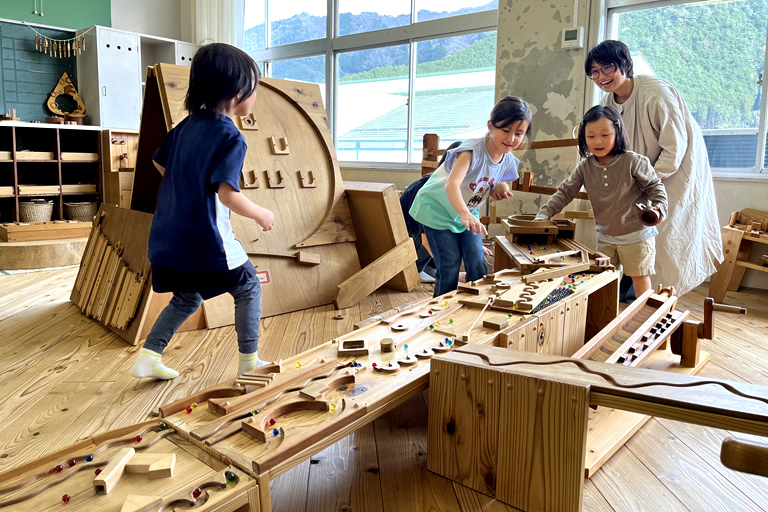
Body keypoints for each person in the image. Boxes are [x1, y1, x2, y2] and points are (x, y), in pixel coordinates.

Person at [130, 43, 275, 380]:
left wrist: (187, 186)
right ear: (240, 93)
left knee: (188, 295)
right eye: (255, 89)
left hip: (167, 239)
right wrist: (259, 213)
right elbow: (227, 194)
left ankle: (149, 355)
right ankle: (249, 362)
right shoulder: (231, 136)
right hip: (204, 240)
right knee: (249, 286)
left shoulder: (185, 127)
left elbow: (157, 160)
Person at [585, 40, 723, 297]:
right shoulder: (609, 100)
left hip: (672, 172)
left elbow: (675, 147)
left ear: (625, 65)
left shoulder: (656, 92)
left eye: (607, 68)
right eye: (594, 72)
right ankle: (634, 290)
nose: (601, 77)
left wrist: (648, 181)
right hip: (638, 174)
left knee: (662, 234)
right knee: (630, 230)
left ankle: (658, 298)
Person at [535, 105, 668, 297]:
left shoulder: (633, 161)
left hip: (637, 236)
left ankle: (646, 322)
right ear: (583, 137)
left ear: (617, 132)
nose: (598, 141)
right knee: (604, 281)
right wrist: (544, 214)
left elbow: (656, 188)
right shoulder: (585, 167)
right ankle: (605, 323)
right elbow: (565, 192)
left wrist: (660, 207)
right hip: (605, 237)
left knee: (640, 280)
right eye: (591, 136)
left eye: (605, 135)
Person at [409, 96, 529, 297]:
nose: (511, 139)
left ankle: (475, 307)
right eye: (505, 131)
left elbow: (491, 178)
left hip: (466, 212)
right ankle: (441, 314)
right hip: (437, 210)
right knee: (449, 265)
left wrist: (496, 190)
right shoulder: (471, 151)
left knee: (477, 261)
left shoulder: (507, 158)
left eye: (518, 133)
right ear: (490, 126)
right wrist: (464, 213)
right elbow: (452, 184)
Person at [399, 141, 462, 284]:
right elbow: (426, 237)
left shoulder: (449, 186)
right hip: (405, 246)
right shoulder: (429, 187)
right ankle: (418, 269)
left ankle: (428, 269)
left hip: (417, 241)